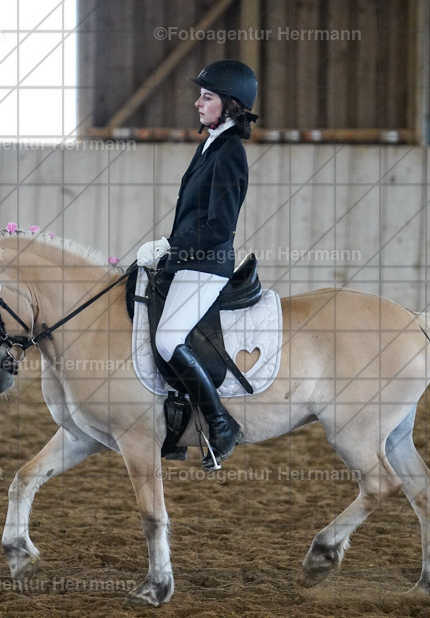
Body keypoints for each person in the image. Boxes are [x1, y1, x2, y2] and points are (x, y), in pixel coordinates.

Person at [136, 59, 258, 471]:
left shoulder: (230, 153)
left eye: (207, 97)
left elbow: (220, 227)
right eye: (201, 96)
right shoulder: (210, 143)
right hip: (186, 261)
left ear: (230, 105)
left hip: (208, 265)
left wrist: (169, 244)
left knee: (169, 340)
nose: (197, 103)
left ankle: (222, 425)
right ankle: (175, 420)